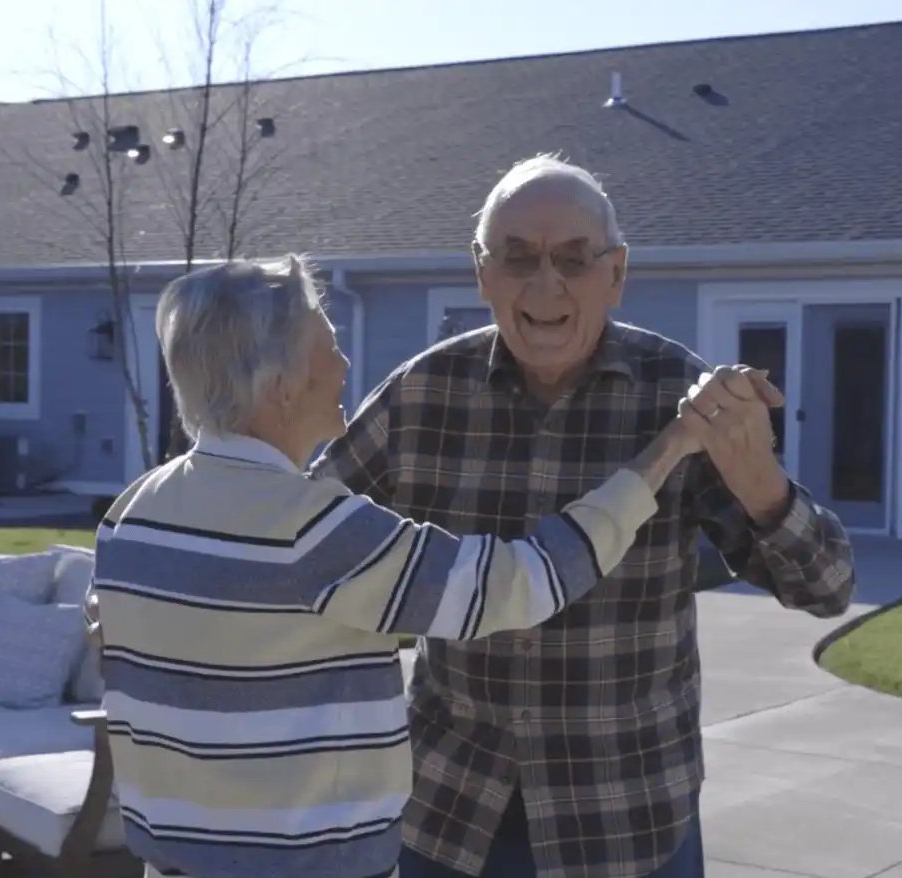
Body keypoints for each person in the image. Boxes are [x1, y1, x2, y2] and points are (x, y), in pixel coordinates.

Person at [89, 256, 739, 878]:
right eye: (328, 347)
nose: (344, 364)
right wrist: (665, 453)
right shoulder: (314, 532)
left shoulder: (131, 515)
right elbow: (523, 583)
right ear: (281, 385)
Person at [311, 155, 857, 878]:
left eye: (573, 259)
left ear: (616, 274)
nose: (546, 285)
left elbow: (828, 588)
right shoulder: (422, 395)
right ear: (481, 273)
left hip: (626, 819)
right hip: (450, 813)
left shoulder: (679, 401)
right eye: (517, 258)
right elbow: (303, 537)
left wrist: (760, 480)